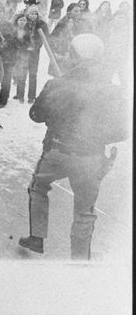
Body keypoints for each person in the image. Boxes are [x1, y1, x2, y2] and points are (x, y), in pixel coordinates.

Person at [19, 34, 129, 260]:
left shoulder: (56, 84)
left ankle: (37, 237)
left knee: (38, 187)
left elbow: (36, 115)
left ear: (76, 56)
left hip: (56, 153)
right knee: (85, 210)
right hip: (91, 158)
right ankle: (79, 261)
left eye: (70, 53)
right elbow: (122, 132)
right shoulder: (114, 91)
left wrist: (56, 103)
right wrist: (94, 136)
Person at [23, 6, 49, 102]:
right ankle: (20, 94)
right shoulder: (23, 22)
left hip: (35, 51)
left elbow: (46, 37)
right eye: (31, 14)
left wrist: (37, 45)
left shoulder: (42, 24)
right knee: (22, 71)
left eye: (35, 14)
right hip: (24, 51)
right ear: (27, 14)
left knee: (33, 74)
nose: (33, 16)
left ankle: (31, 96)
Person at [0, 5, 18, 108]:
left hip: (7, 57)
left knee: (6, 79)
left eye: (0, 11)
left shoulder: (7, 24)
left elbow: (10, 41)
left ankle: (2, 101)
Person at [11, 13, 35, 103]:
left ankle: (21, 95)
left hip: (24, 55)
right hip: (14, 55)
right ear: (17, 21)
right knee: (15, 74)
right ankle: (18, 93)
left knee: (22, 75)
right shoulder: (13, 30)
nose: (22, 22)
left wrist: (26, 43)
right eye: (20, 20)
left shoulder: (28, 31)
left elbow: (31, 44)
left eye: (24, 20)